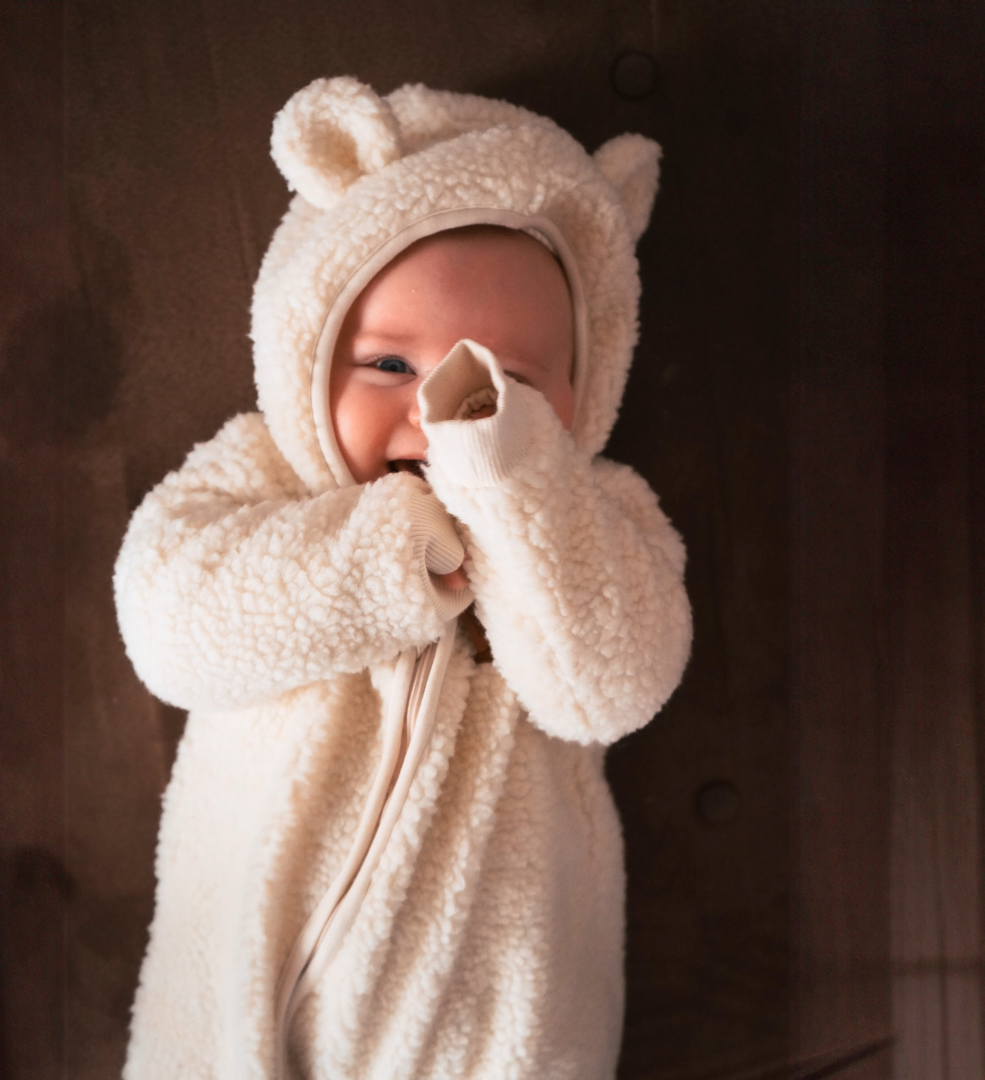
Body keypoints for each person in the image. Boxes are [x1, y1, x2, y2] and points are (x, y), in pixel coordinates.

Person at [114, 75, 692, 1080]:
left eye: (509, 384)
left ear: (585, 388)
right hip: (234, 1010)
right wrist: (385, 554)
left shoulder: (600, 522)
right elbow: (169, 627)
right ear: (309, 353)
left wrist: (520, 491)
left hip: (499, 1024)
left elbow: (614, 686)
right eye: (389, 366)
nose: (439, 414)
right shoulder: (260, 482)